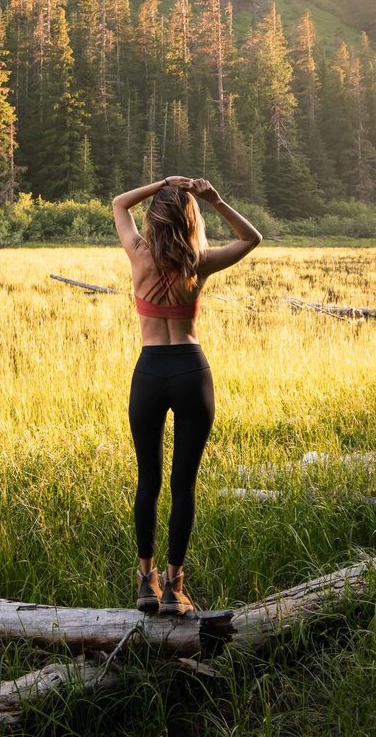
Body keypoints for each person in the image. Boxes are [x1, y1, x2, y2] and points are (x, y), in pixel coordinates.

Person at [112, 173, 263, 616]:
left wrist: (161, 182)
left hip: (151, 371)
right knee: (184, 485)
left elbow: (120, 203)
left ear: (154, 221)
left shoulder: (138, 254)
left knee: (149, 481)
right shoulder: (199, 261)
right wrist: (214, 199)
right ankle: (175, 586)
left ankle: (146, 581)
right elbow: (252, 237)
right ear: (188, 218)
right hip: (191, 371)